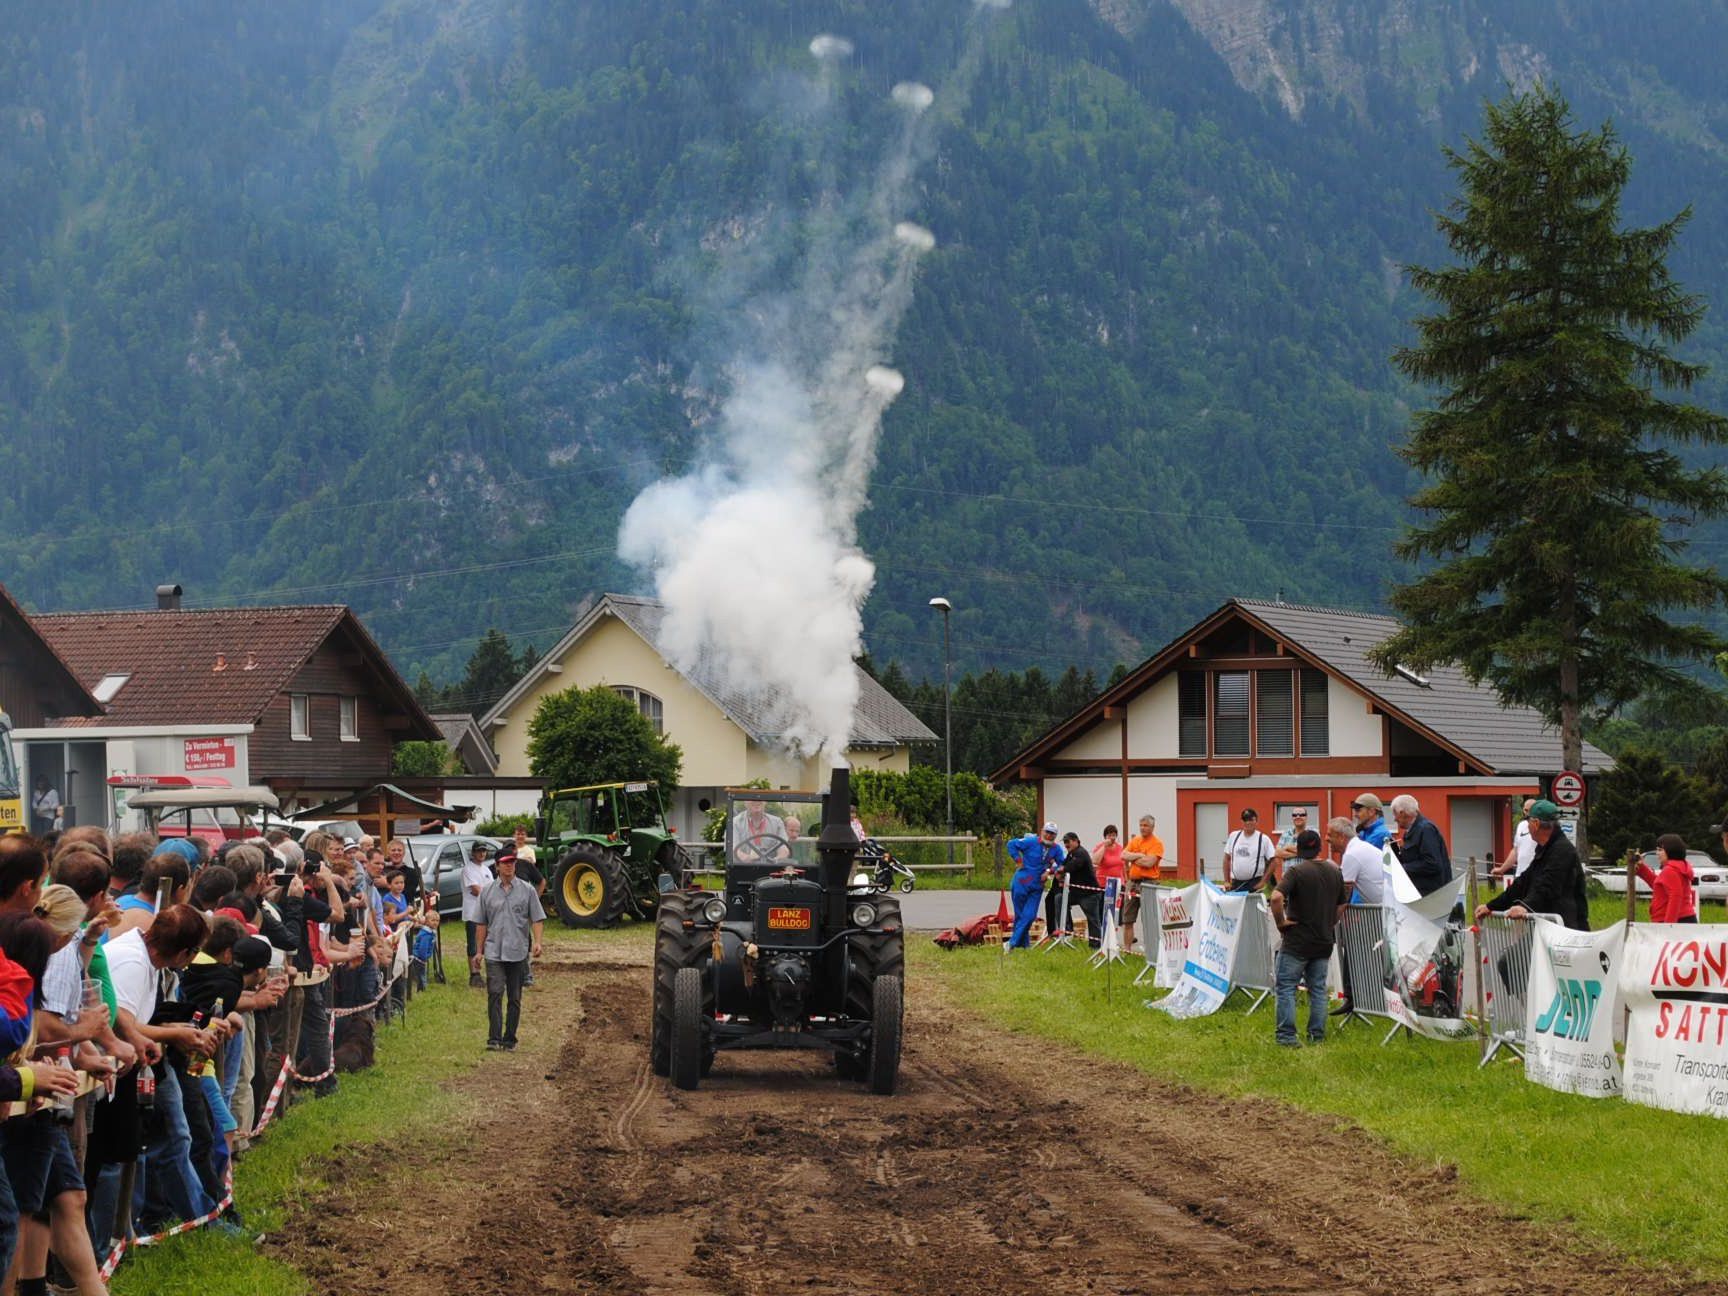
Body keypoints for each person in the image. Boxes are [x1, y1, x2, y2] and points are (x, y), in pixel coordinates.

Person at [1268, 829, 1345, 1047]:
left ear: (1298, 850)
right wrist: (1329, 922)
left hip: (1297, 942)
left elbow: (1275, 897)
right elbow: (1342, 904)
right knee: (1318, 990)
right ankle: (1316, 1037)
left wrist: (1281, 923)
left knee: (1285, 987)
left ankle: (1287, 1037)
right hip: (1323, 940)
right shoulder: (1334, 871)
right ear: (1320, 847)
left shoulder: (1296, 872)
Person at [470, 851, 545, 1052]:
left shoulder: (527, 890)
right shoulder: (487, 892)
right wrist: (479, 951)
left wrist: (537, 942)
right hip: (494, 950)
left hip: (518, 951)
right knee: (494, 993)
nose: (509, 866)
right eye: (505, 863)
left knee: (514, 996)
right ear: (497, 866)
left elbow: (537, 918)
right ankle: (493, 1038)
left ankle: (509, 1038)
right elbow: (481, 923)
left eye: (512, 862)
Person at [1475, 800, 1588, 930]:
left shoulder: (1562, 850)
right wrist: (1490, 906)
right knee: (1513, 951)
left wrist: (1524, 906)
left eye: (1528, 821)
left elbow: (1547, 887)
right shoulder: (1544, 849)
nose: (1526, 825)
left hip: (1567, 931)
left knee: (1517, 951)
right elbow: (1522, 882)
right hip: (1546, 929)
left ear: (1536, 824)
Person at [1004, 824, 1064, 950]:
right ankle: (1024, 945)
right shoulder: (1031, 841)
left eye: (1052, 833)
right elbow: (1011, 844)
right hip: (1021, 882)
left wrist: (1049, 871)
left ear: (1055, 836)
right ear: (1042, 831)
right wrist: (1018, 860)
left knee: (1030, 915)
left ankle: (1012, 943)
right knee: (1020, 915)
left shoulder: (1056, 849)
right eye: (1047, 832)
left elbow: (1061, 864)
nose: (1049, 835)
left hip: (1037, 885)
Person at [1389, 794, 1452, 896]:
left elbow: (1432, 864)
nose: (1395, 819)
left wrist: (1402, 868)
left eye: (1394, 814)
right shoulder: (1413, 830)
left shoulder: (1425, 830)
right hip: (1423, 893)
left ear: (1402, 813)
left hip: (1432, 895)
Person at [1121, 816, 1164, 953]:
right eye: (1141, 825)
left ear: (1152, 827)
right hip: (1132, 883)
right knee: (1128, 918)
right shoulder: (1135, 840)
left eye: (1145, 825)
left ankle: (1150, 950)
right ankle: (1127, 949)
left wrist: (1133, 858)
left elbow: (1149, 863)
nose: (1142, 828)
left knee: (1149, 919)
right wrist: (1139, 855)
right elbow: (1123, 855)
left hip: (1149, 883)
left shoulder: (1157, 843)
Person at [1635, 834, 1698, 924]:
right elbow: (1660, 886)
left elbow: (1676, 896)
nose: (1657, 853)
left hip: (1674, 920)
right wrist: (1642, 867)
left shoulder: (1670, 870)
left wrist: (1668, 927)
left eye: (1660, 850)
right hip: (1683, 918)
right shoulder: (1678, 867)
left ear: (1670, 851)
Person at [1051, 832, 1100, 946]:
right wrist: (1059, 872)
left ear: (1076, 841)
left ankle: (1096, 945)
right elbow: (1064, 865)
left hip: (1089, 893)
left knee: (1093, 920)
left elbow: (1073, 866)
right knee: (1060, 899)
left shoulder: (1080, 853)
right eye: (1064, 842)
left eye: (1068, 841)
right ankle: (1067, 931)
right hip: (1076, 893)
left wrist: (1061, 871)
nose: (1066, 844)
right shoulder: (1071, 854)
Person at [461, 841, 492, 987]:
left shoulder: (486, 870)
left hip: (486, 912)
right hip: (473, 912)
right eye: (479, 851)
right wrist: (491, 897)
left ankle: (487, 972)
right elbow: (475, 890)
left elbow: (492, 888)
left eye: (484, 851)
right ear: (473, 853)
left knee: (486, 943)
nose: (481, 853)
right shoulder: (468, 869)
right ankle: (474, 974)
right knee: (473, 944)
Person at [1222, 809, 1275, 892]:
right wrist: (1226, 881)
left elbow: (1273, 862)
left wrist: (1263, 882)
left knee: (1253, 905)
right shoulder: (1233, 836)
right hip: (1235, 884)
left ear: (1256, 821)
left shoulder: (1264, 839)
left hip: (1254, 884)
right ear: (1241, 821)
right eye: (1245, 819)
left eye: (1251, 819)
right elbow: (1226, 858)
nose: (1248, 822)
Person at [1492, 798, 1539, 880]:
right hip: (1520, 875)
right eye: (1526, 810)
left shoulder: (1542, 827)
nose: (1528, 813)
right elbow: (1515, 851)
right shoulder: (1521, 825)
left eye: (1531, 810)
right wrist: (1502, 869)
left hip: (1537, 876)